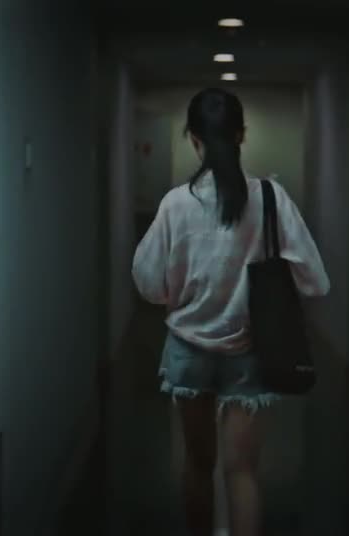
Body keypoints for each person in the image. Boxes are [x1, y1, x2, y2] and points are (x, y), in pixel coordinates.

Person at [131, 87, 330, 536]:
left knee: (197, 465)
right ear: (241, 135)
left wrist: (181, 293)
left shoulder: (176, 204)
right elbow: (316, 280)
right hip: (251, 349)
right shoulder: (271, 198)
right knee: (243, 473)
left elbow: (147, 282)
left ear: (193, 139)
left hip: (188, 349)